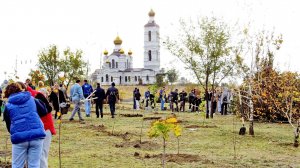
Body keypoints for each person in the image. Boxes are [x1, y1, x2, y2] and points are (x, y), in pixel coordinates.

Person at [3, 82, 47, 168]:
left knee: (17, 165)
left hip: (19, 138)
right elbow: (44, 110)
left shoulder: (8, 106)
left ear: (8, 93)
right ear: (20, 89)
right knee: (34, 165)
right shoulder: (32, 99)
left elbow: (9, 125)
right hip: (36, 135)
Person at [21, 82, 55, 168]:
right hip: (33, 130)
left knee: (41, 155)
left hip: (44, 128)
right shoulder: (26, 98)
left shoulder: (37, 95)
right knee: (34, 156)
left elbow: (48, 109)